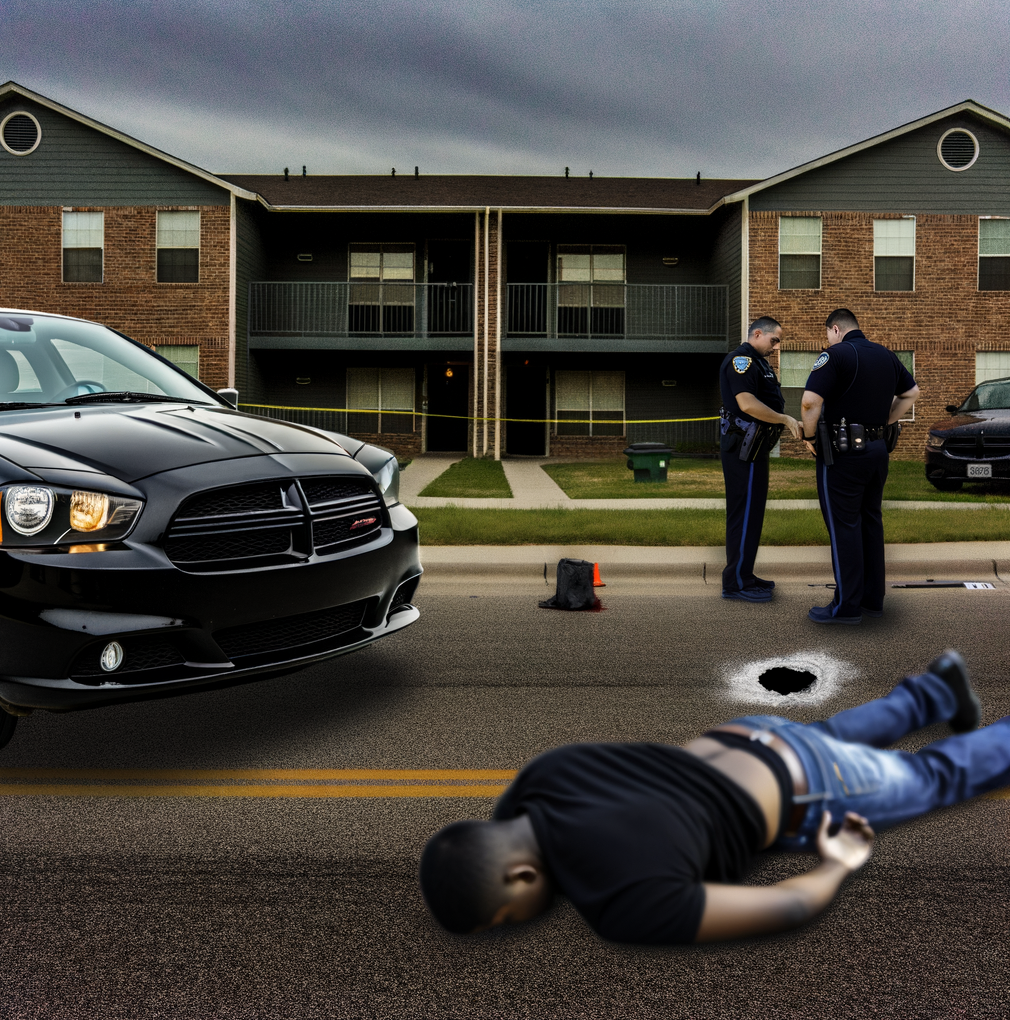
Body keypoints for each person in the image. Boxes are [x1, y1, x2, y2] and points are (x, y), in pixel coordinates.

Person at [419, 650, 1005, 944]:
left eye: (504, 918)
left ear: (521, 878)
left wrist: (838, 865)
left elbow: (788, 908)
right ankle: (935, 691)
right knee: (826, 734)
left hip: (806, 786)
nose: (513, 925)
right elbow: (503, 825)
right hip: (747, 733)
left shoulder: (624, 905)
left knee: (936, 778)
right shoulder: (540, 777)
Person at [800, 309, 919, 624]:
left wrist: (810, 436)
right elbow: (911, 393)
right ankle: (872, 601)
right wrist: (883, 421)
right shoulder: (886, 355)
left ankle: (847, 607)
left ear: (835, 329)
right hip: (878, 450)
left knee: (844, 527)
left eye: (828, 334)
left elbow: (810, 402)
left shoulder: (836, 355)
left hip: (843, 455)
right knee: (870, 522)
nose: (828, 339)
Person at [718, 317, 802, 603]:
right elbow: (747, 404)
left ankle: (746, 574)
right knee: (743, 514)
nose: (776, 347)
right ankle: (735, 583)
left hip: (755, 448)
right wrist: (785, 419)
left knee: (753, 514)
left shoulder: (760, 363)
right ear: (757, 333)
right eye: (774, 340)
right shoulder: (741, 361)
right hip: (744, 448)